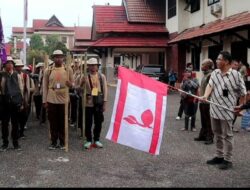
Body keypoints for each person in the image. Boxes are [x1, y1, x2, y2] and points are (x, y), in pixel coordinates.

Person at [201, 51, 247, 170]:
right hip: (214, 109)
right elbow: (210, 86)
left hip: (227, 110)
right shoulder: (215, 73)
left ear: (226, 61)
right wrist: (206, 96)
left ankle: (228, 159)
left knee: (227, 135)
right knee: (217, 134)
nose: (216, 61)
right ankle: (219, 156)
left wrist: (241, 107)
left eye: (218, 59)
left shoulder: (236, 75)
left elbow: (243, 92)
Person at [43, 50, 73, 150]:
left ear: (63, 58)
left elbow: (72, 85)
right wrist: (44, 100)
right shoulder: (48, 70)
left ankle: (63, 141)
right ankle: (54, 142)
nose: (58, 59)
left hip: (64, 99)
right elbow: (45, 86)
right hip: (51, 98)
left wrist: (70, 84)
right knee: (53, 121)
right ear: (53, 58)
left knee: (63, 121)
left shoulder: (68, 69)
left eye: (60, 57)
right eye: (56, 57)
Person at [81, 57, 108, 149]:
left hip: (99, 102)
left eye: (94, 65)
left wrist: (105, 103)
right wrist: (81, 83)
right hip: (88, 102)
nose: (93, 67)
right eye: (91, 65)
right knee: (88, 122)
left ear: (97, 66)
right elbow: (78, 89)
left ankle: (96, 139)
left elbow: (105, 90)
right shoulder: (84, 76)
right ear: (88, 66)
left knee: (98, 122)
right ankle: (88, 140)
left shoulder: (102, 76)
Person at [0, 56, 23, 151]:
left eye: (11, 63)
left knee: (15, 123)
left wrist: (21, 102)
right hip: (4, 102)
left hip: (15, 102)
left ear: (13, 65)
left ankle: (15, 143)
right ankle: (5, 143)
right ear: (4, 65)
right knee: (4, 124)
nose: (9, 64)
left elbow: (21, 88)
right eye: (7, 63)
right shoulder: (1, 75)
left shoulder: (17, 75)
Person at [194, 59, 214, 145]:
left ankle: (210, 137)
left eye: (203, 65)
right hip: (202, 101)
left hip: (208, 102)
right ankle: (203, 135)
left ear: (208, 66)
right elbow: (201, 88)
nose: (201, 66)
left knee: (208, 120)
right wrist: (198, 97)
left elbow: (212, 89)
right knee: (203, 120)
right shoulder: (205, 75)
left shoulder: (210, 75)